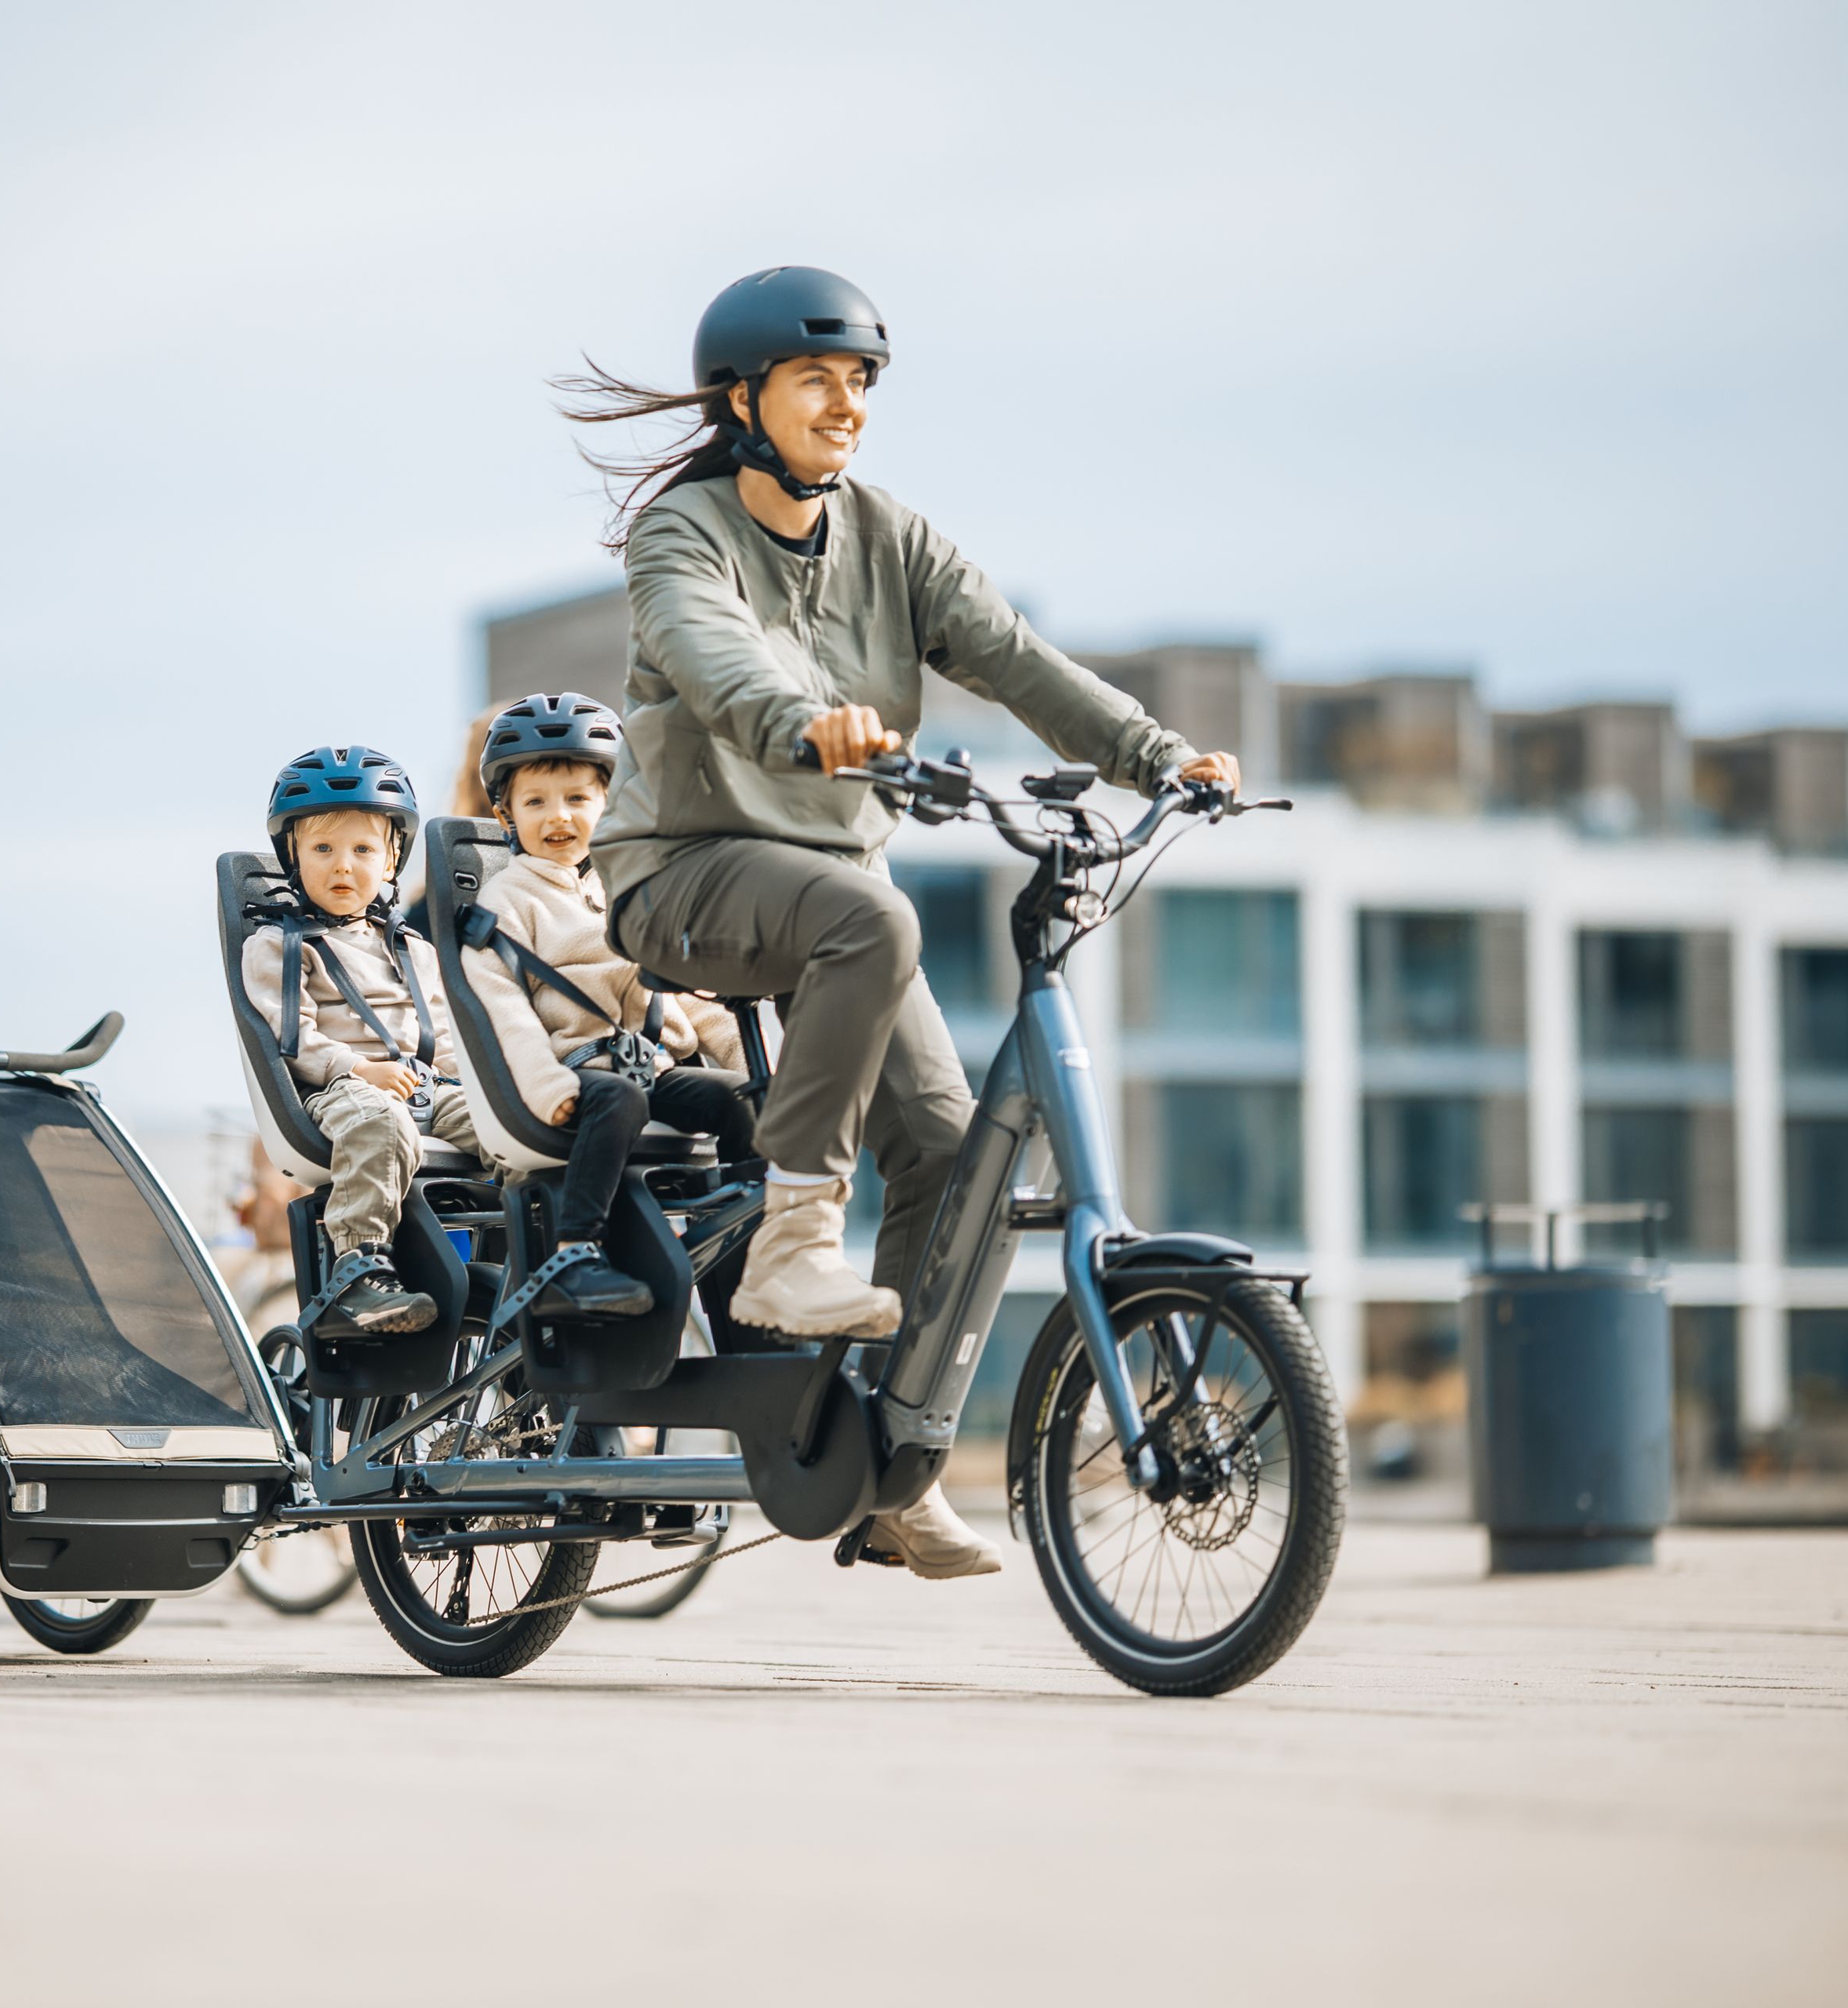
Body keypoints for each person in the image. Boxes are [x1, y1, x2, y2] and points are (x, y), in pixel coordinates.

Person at [562, 267, 1242, 1579]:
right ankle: (792, 1244)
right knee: (871, 920)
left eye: (862, 381)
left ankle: (889, 1466)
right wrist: (798, 724)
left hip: (831, 903)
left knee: (951, 1148)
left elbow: (1019, 658)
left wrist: (1159, 756)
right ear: (743, 397)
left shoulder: (894, 541)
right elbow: (716, 656)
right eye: (819, 378)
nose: (848, 404)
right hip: (684, 872)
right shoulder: (680, 537)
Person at [453, 692, 758, 1320]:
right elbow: (501, 1011)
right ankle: (575, 1255)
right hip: (581, 1073)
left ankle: (755, 1252)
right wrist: (546, 1088)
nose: (556, 816)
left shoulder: (623, 888)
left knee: (742, 1098)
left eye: (576, 800)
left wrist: (746, 1060)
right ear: (506, 813)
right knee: (619, 1099)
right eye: (535, 802)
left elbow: (685, 995)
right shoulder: (507, 901)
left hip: (653, 1065)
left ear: (609, 804)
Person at [238, 746, 482, 1339]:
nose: (342, 866)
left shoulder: (412, 950)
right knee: (383, 1124)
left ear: (393, 857)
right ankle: (357, 1269)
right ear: (292, 856)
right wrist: (359, 1069)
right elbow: (288, 1038)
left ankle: (537, 1247)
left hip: (424, 1086)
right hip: (339, 1093)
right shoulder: (279, 946)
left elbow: (443, 1035)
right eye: (322, 849)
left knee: (503, 1125)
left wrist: (468, 1084)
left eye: (363, 850)